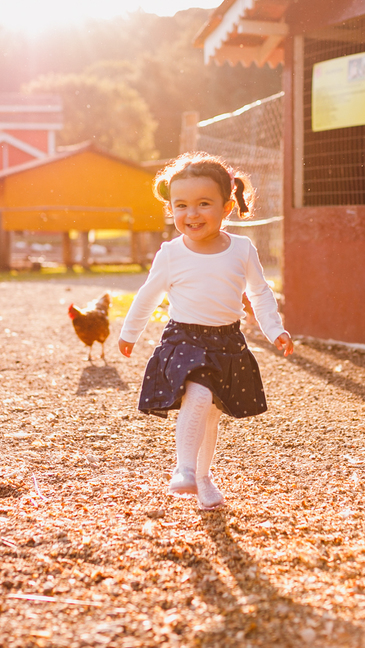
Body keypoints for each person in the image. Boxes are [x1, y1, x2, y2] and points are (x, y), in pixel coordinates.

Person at [119, 152, 294, 510]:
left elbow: (259, 293)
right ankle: (183, 470)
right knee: (198, 396)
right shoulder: (171, 253)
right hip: (184, 338)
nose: (191, 214)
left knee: (211, 414)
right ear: (170, 208)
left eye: (203, 203)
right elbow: (148, 295)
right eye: (180, 205)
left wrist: (275, 329)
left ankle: (203, 477)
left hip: (226, 341)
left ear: (227, 207)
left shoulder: (242, 250)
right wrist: (129, 333)